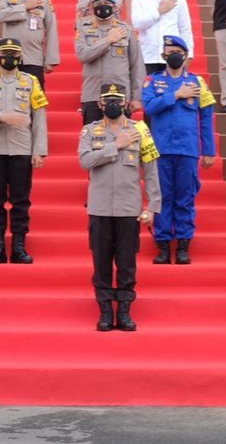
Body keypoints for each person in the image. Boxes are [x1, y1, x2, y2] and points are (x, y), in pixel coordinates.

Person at [78, 83, 161, 332]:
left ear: (125, 103)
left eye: (117, 100)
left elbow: (151, 170)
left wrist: (153, 206)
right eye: (107, 100)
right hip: (100, 208)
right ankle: (105, 310)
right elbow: (85, 161)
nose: (112, 104)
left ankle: (124, 309)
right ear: (100, 104)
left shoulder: (140, 129)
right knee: (101, 260)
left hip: (128, 207)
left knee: (126, 262)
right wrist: (116, 145)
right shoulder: (90, 130)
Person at [0, 39, 49, 266]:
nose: (9, 58)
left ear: (21, 57)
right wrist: (2, 117)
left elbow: (39, 117)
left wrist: (39, 150)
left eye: (14, 54)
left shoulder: (30, 81)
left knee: (20, 199)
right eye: (5, 54)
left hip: (21, 148)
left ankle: (19, 247)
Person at [141, 35, 217, 265]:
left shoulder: (198, 83)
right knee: (162, 197)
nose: (173, 55)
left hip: (187, 149)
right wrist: (175, 95)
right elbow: (149, 107)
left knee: (185, 197)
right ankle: (163, 245)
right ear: (163, 56)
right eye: (169, 52)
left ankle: (184, 244)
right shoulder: (152, 81)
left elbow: (206, 118)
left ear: (185, 55)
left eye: (178, 52)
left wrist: (209, 151)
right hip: (161, 149)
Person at [75, 0, 145, 125]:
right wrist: (108, 40)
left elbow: (136, 65)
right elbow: (83, 55)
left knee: (122, 135)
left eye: (106, 3)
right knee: (93, 135)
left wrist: (137, 97)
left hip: (120, 94)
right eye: (98, 3)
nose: (102, 6)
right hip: (93, 94)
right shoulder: (83, 27)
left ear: (114, 7)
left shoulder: (126, 30)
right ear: (92, 8)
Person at [0, 0, 60, 89]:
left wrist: (51, 59)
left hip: (34, 57)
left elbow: (51, 29)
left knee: (34, 94)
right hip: (9, 56)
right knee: (9, 93)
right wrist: (24, 7)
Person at [131, 0, 194, 75]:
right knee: (147, 86)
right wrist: (159, 11)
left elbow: (185, 28)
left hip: (173, 56)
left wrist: (189, 54)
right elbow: (137, 24)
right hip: (147, 56)